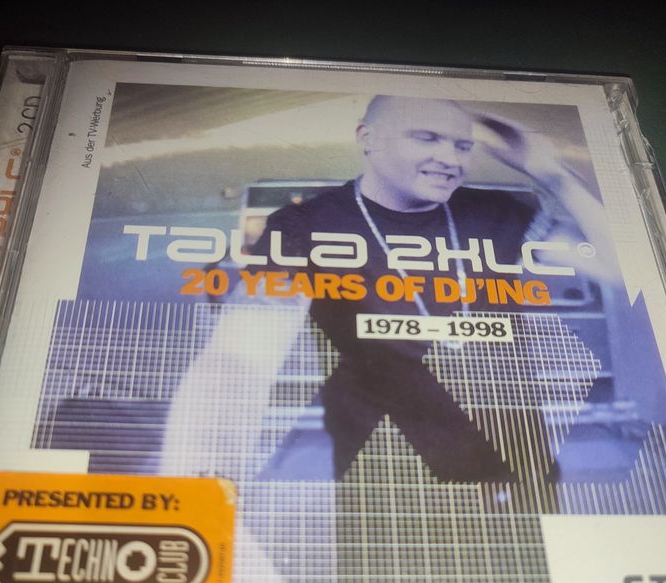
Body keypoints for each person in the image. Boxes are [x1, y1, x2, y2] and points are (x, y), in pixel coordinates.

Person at [162, 95, 618, 484]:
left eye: (462, 145)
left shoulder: (498, 213)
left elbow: (619, 266)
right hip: (385, 473)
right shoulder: (304, 225)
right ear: (369, 138)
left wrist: (552, 172)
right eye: (427, 138)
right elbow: (239, 357)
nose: (451, 159)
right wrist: (201, 485)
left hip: (519, 461)